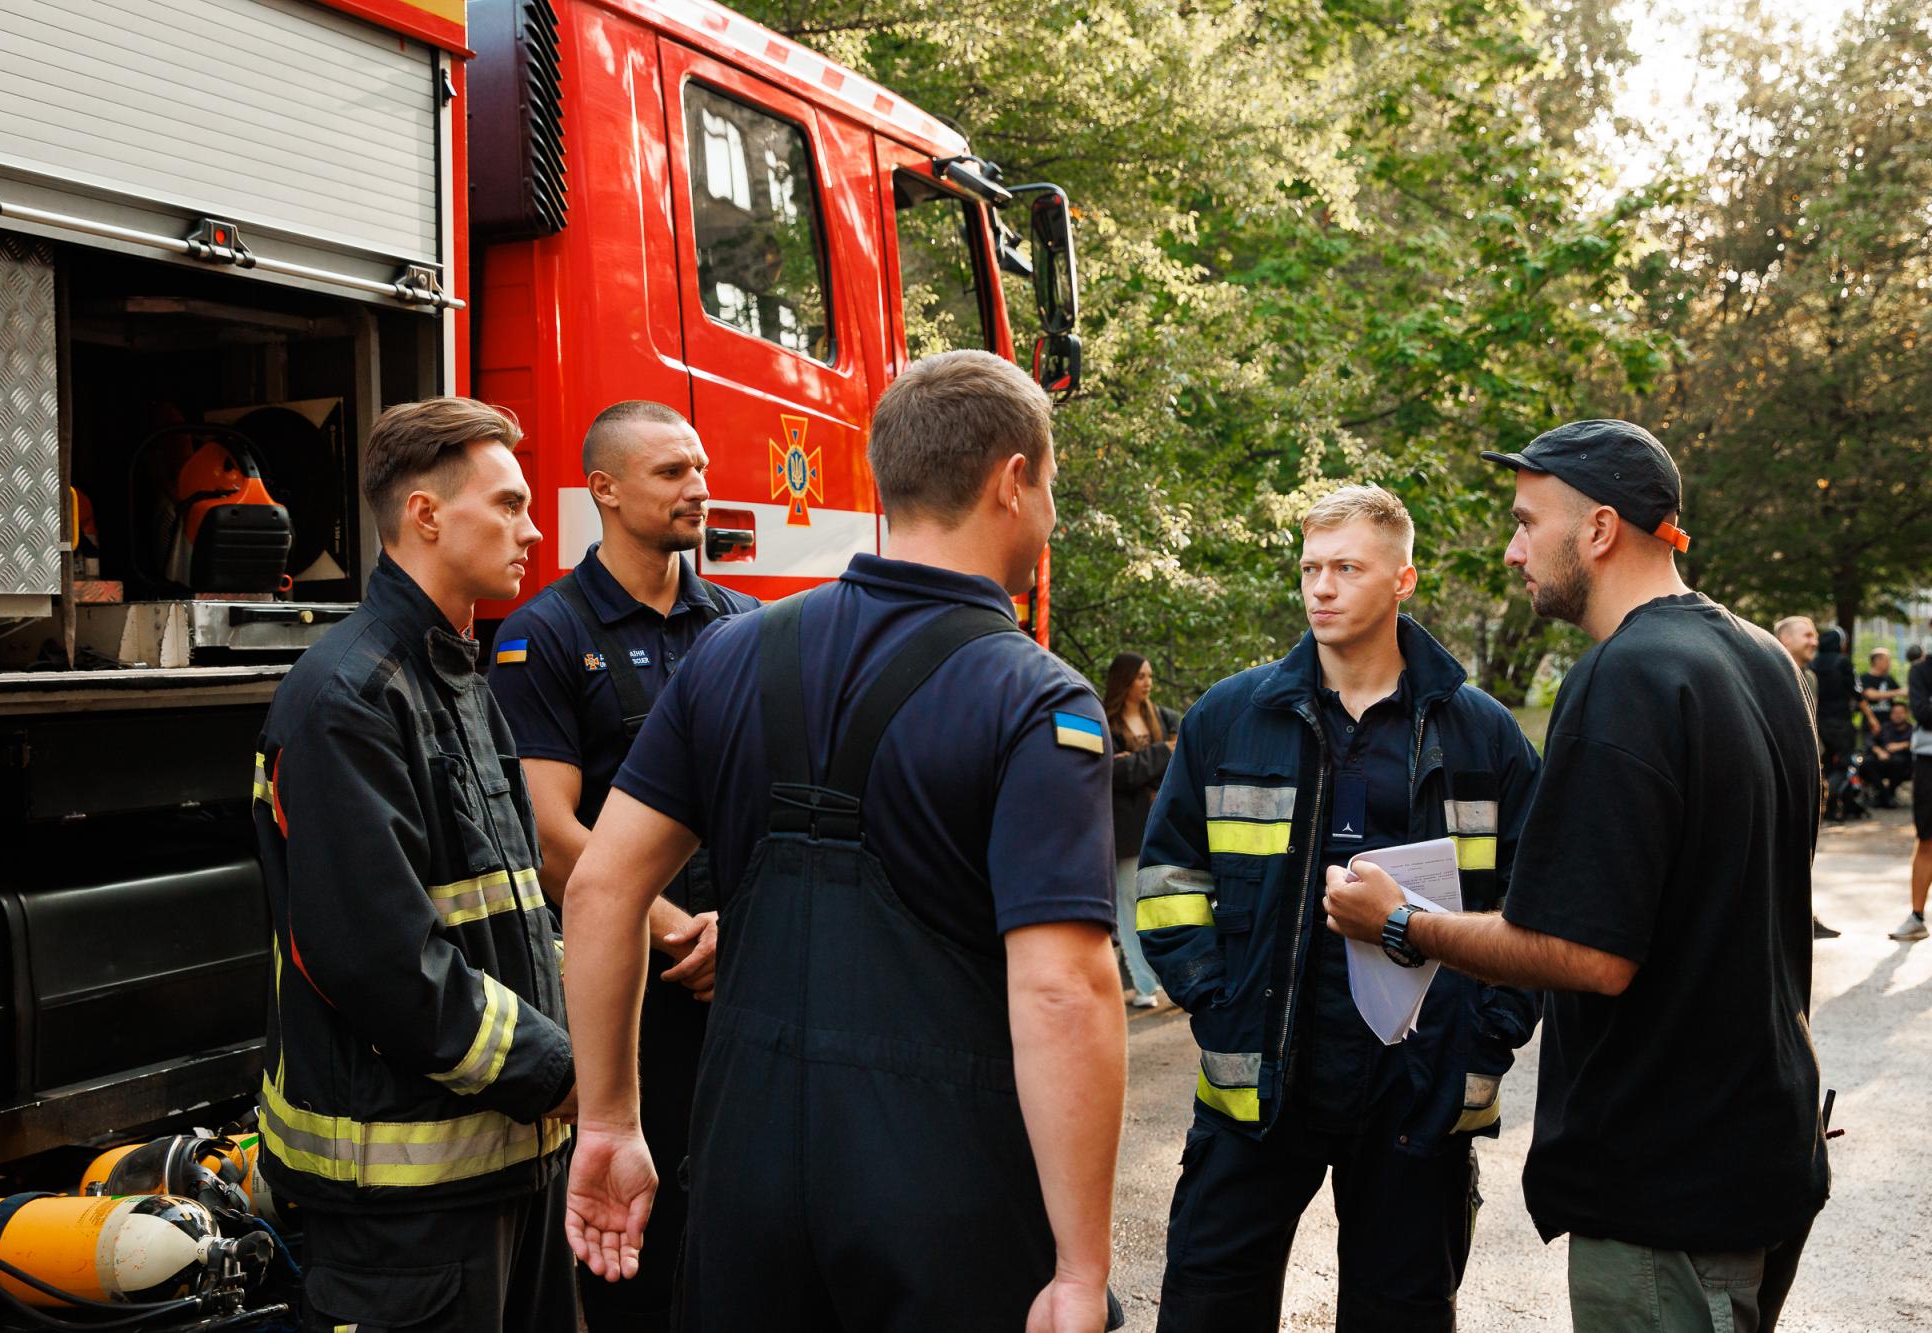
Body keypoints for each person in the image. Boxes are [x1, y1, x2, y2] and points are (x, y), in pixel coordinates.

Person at [558, 350, 1128, 1332]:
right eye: (1051, 486)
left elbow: (600, 888)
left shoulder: (729, 654)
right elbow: (1061, 987)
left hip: (741, 1186)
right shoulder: (1034, 699)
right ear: (1013, 480)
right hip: (946, 1206)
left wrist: (609, 1121)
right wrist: (1079, 1265)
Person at [1324, 420, 1828, 1333]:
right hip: (1766, 1156)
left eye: (1526, 522)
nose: (1514, 549)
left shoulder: (1625, 676)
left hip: (1669, 1195)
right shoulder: (1763, 660)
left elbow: (1587, 952)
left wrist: (1401, 923)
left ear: (1598, 530)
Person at [1137, 483, 1541, 1331]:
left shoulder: (1483, 736)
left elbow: (1534, 905)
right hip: (1262, 1083)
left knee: (1401, 1312)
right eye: (1310, 567)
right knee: (1210, 1305)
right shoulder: (1228, 718)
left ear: (1403, 580)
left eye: (1346, 567)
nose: (1321, 587)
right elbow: (1170, 877)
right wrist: (1218, 1004)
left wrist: (1489, 1025)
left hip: (1419, 1091)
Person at [251, 398, 577, 1332]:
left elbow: (505, 914)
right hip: (407, 1211)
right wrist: (556, 1071)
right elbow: (381, 958)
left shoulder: (455, 675)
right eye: (508, 505)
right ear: (427, 516)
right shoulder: (349, 697)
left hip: (502, 1169)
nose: (533, 528)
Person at [486, 400, 758, 1330]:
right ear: (603, 489)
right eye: (672, 472)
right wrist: (678, 931)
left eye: (701, 468)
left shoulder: (744, 625)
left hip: (742, 982)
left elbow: (776, 810)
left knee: (748, 1231)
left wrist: (742, 927)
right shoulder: (545, 635)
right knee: (640, 1249)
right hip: (636, 995)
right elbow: (551, 831)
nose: (699, 486)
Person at [1105, 652, 1179, 1009]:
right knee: (1128, 906)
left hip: (1163, 823)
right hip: (1126, 830)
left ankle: (1168, 974)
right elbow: (1116, 775)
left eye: (1150, 675)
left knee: (1164, 901)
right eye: (1140, 677)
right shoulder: (1107, 722)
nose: (1148, 682)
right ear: (1124, 681)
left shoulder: (1164, 717)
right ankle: (1143, 984)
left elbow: (1181, 758)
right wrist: (1161, 752)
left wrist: (1138, 763)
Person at [1774, 615, 1840, 938]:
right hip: (1786, 774)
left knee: (1809, 847)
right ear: (1785, 639)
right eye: (1808, 635)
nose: (1815, 641)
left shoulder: (1810, 677)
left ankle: (1804, 915)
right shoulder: (1772, 671)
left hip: (1813, 771)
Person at [1890, 642, 1932, 941]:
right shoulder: (1921, 670)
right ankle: (1917, 916)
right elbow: (1923, 713)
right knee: (1927, 839)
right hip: (1929, 762)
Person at [1812, 628, 1859, 791]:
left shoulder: (1813, 663)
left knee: (1826, 761)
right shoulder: (1843, 662)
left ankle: (1828, 806)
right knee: (1844, 763)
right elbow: (1856, 691)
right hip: (1841, 721)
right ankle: (1830, 797)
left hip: (1818, 721)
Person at [1865, 699, 1914, 808]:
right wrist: (1878, 751)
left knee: (1898, 762)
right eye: (1894, 713)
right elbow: (1869, 740)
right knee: (1867, 762)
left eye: (1900, 713)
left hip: (1903, 765)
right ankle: (1886, 796)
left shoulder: (1913, 729)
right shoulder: (1884, 727)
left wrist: (1902, 745)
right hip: (1883, 761)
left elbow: (1918, 744)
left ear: (1907, 714)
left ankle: (1885, 796)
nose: (1897, 715)